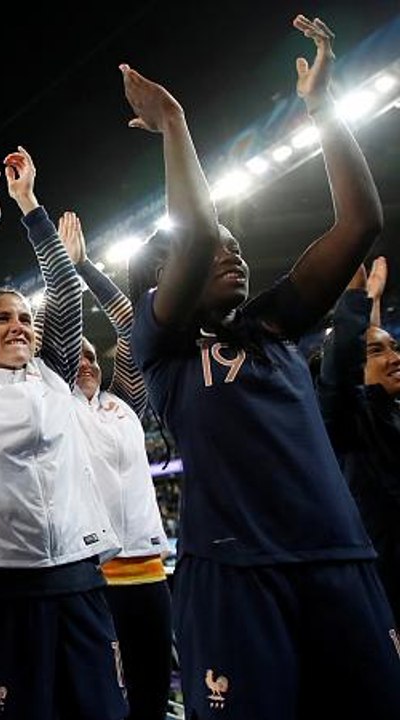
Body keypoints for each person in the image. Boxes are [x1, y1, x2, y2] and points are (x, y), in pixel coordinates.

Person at [125, 14, 400, 717]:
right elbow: (191, 237)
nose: (233, 251)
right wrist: (176, 122)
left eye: (237, 244)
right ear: (163, 280)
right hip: (237, 578)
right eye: (216, 248)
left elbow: (358, 223)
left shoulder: (274, 325)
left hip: (339, 559)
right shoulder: (164, 351)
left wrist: (321, 109)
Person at [0, 154, 124, 720]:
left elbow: (64, 284)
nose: (19, 326)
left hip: (76, 579)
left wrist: (31, 205)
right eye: (1, 318)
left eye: (25, 319)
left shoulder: (54, 369)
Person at [59, 211, 171, 720]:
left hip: (149, 572)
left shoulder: (125, 400)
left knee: (151, 694)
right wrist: (59, 268)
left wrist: (86, 268)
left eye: (91, 355)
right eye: (74, 356)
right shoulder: (55, 406)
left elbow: (128, 321)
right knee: (102, 700)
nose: (86, 362)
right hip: (94, 576)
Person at [319, 257, 400, 623]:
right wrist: (354, 304)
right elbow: (342, 374)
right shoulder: (347, 421)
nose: (395, 357)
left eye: (394, 347)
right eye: (378, 351)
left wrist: (371, 322)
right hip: (382, 595)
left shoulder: (389, 411)